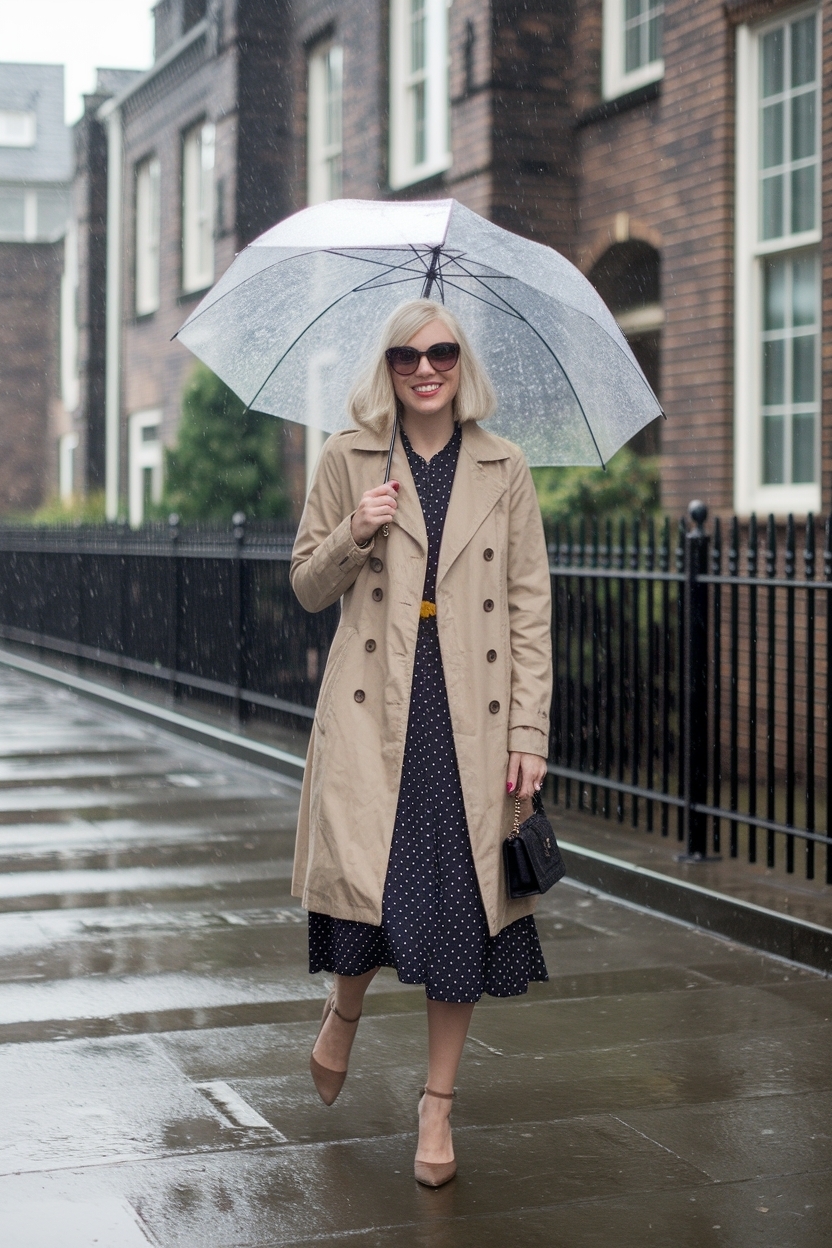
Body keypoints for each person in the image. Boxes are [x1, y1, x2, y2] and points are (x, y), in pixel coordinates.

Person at [290, 298, 552, 1187]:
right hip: (376, 709)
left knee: (459, 920)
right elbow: (304, 587)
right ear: (389, 368)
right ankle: (344, 1012)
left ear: (460, 361)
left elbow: (527, 608)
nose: (426, 368)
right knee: (370, 894)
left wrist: (529, 731)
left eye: (441, 351)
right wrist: (353, 531)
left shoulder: (505, 466)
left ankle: (436, 1107)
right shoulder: (348, 457)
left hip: (470, 717)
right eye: (407, 355)